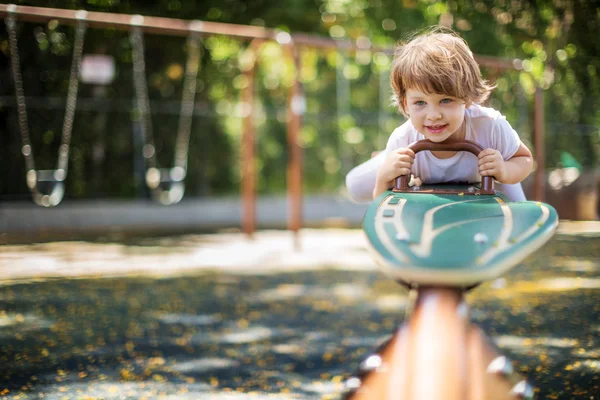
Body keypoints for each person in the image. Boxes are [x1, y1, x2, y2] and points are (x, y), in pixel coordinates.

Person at [346, 27, 532, 202]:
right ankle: (383, 158)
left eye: (445, 100)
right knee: (354, 185)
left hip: (485, 169)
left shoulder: (490, 126)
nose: (433, 115)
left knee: (512, 188)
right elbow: (382, 203)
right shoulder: (404, 139)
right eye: (420, 103)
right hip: (407, 153)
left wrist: (505, 170)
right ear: (406, 104)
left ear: (466, 98)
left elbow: (524, 159)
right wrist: (383, 178)